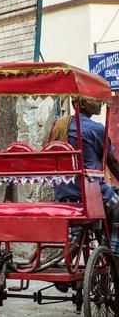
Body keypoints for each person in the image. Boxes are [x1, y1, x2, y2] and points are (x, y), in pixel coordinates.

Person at [51, 99, 119, 253]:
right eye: (95, 101)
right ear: (81, 104)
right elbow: (112, 163)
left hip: (63, 193)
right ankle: (115, 256)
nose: (100, 103)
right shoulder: (96, 129)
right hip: (91, 194)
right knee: (117, 206)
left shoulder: (59, 126)